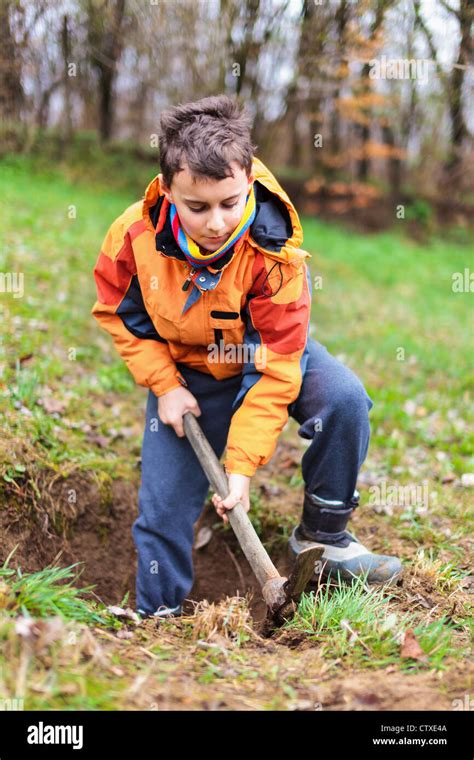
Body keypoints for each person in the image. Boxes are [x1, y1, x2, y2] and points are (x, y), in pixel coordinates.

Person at [91, 95, 402, 619]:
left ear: (250, 180)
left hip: (268, 358)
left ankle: (323, 541)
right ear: (167, 190)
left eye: (231, 202)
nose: (217, 222)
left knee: (344, 400)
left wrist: (240, 467)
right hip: (189, 373)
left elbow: (278, 363)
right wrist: (165, 386)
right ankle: (158, 616)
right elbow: (121, 316)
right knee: (163, 511)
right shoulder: (133, 237)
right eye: (198, 206)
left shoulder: (276, 252)